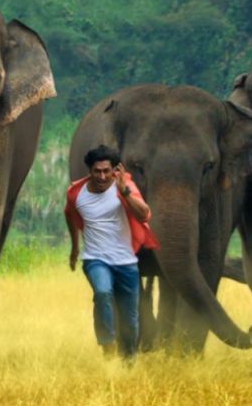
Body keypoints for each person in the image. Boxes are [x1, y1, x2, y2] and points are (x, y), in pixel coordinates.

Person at [64, 145, 159, 359]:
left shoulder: (124, 187)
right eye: (97, 171)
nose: (102, 176)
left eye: (107, 171)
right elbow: (69, 214)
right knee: (103, 292)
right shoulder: (76, 193)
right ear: (90, 171)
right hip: (95, 259)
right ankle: (107, 343)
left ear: (115, 170)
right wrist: (75, 247)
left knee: (130, 319)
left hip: (126, 262)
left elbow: (144, 215)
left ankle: (129, 361)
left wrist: (125, 192)